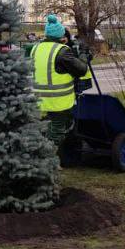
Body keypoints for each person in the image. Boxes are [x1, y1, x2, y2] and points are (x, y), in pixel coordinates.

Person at [31, 14, 89, 155]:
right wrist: (82, 54)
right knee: (57, 129)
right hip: (57, 100)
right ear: (60, 36)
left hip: (39, 98)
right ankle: (46, 159)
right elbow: (81, 70)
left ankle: (45, 152)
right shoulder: (62, 51)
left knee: (52, 125)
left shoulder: (36, 48)